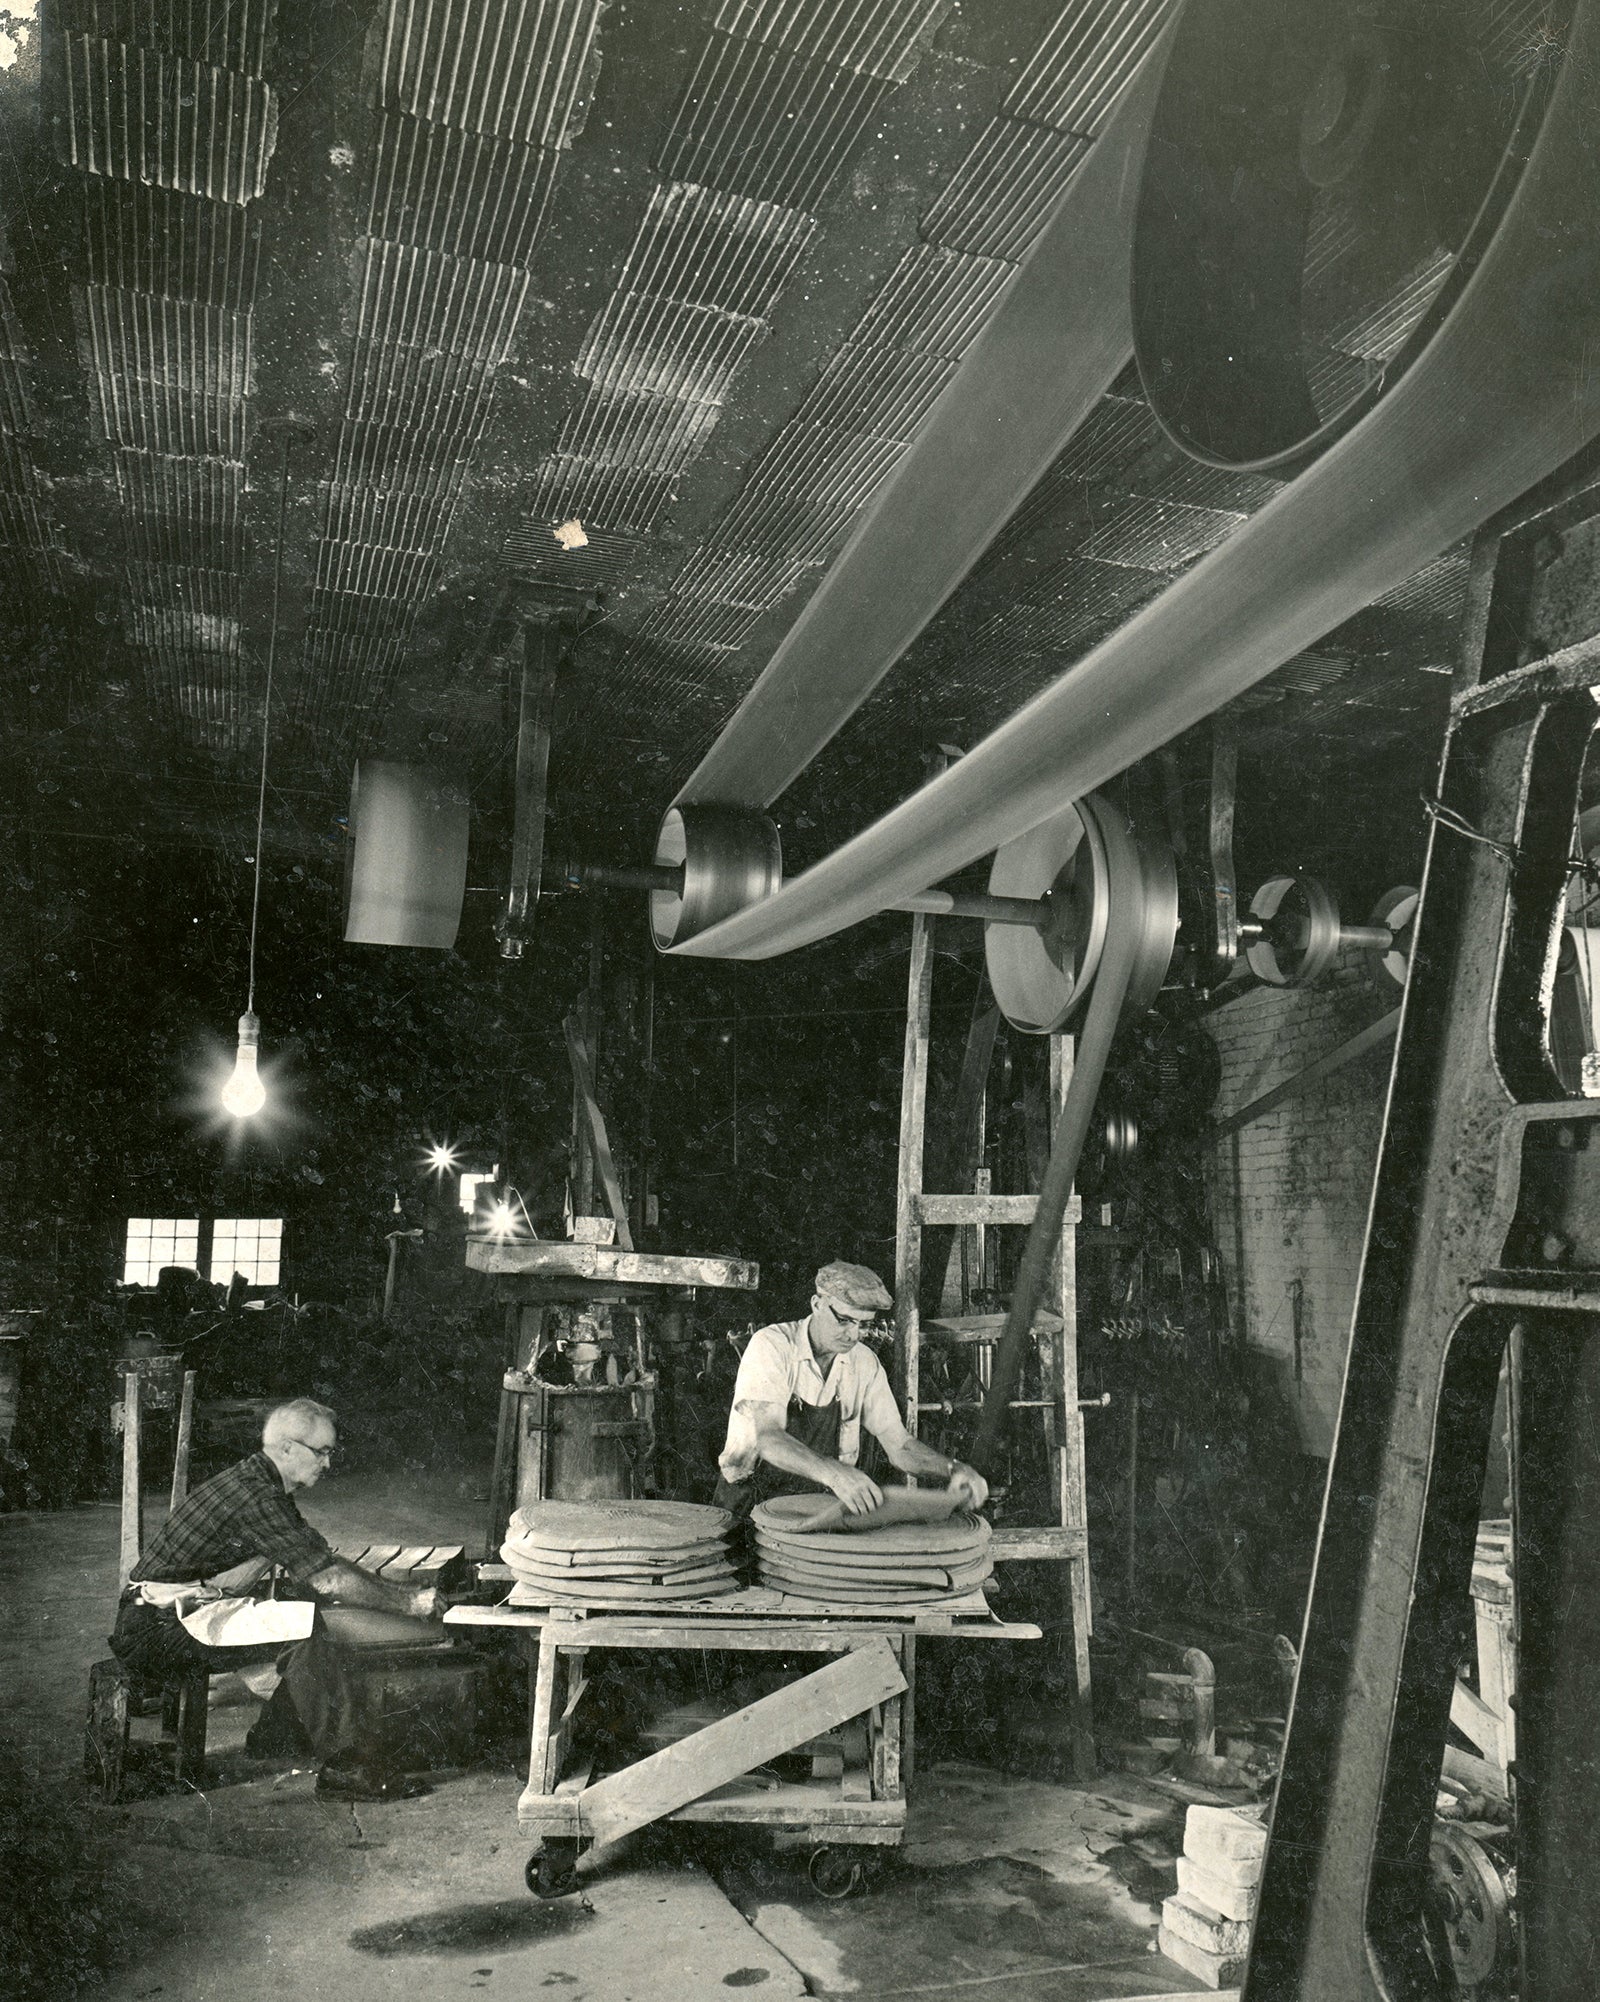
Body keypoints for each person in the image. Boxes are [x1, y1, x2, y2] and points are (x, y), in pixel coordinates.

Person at [110, 1397, 448, 1799]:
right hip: (155, 1629)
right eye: (321, 1452)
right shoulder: (258, 1497)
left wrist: (399, 1592)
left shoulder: (259, 1482)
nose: (328, 1464)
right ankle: (346, 1769)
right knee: (302, 1630)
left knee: (296, 1604)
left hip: (171, 1613)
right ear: (287, 1448)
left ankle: (278, 1736)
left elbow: (321, 1561)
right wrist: (411, 1604)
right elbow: (330, 1578)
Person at [714, 1260, 989, 1519]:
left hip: (816, 1509)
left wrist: (953, 1468)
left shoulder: (864, 1363)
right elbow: (769, 1439)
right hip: (749, 1504)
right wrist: (835, 1474)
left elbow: (899, 1445)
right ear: (817, 1304)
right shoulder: (772, 1346)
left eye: (863, 1324)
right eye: (844, 1320)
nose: (853, 1335)